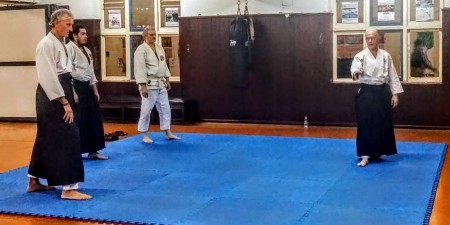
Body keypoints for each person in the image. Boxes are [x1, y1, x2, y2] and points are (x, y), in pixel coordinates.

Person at [27, 9, 92, 200]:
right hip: (52, 96)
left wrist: (71, 94)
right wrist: (64, 102)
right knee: (68, 137)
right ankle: (69, 188)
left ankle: (33, 180)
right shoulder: (46, 44)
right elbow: (47, 77)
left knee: (46, 136)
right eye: (68, 24)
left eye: (72, 24)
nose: (70, 28)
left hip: (61, 89)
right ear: (55, 23)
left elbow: (65, 73)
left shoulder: (61, 43)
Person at [350, 29, 404, 167]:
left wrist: (395, 94)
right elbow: (355, 69)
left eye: (372, 38)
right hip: (366, 92)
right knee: (366, 123)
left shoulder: (385, 56)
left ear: (378, 38)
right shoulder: (360, 56)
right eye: (367, 38)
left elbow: (392, 75)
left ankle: (378, 152)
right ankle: (365, 155)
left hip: (382, 91)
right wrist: (356, 73)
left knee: (382, 122)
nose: (370, 41)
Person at [67, 25, 108, 160]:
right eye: (83, 34)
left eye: (86, 34)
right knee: (80, 120)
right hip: (76, 87)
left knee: (94, 118)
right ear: (75, 35)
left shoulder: (87, 50)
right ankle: (75, 151)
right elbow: (68, 73)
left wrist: (95, 90)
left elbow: (91, 72)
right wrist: (73, 92)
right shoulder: (69, 49)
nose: (86, 36)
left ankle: (93, 150)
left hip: (87, 87)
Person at [134, 26, 180, 143]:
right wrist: (143, 86)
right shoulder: (141, 50)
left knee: (165, 108)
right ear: (145, 36)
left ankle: (167, 131)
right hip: (148, 84)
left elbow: (164, 65)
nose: (154, 36)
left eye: (154, 34)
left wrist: (167, 79)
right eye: (151, 35)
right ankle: (144, 134)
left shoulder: (159, 48)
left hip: (160, 82)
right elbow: (140, 68)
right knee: (146, 109)